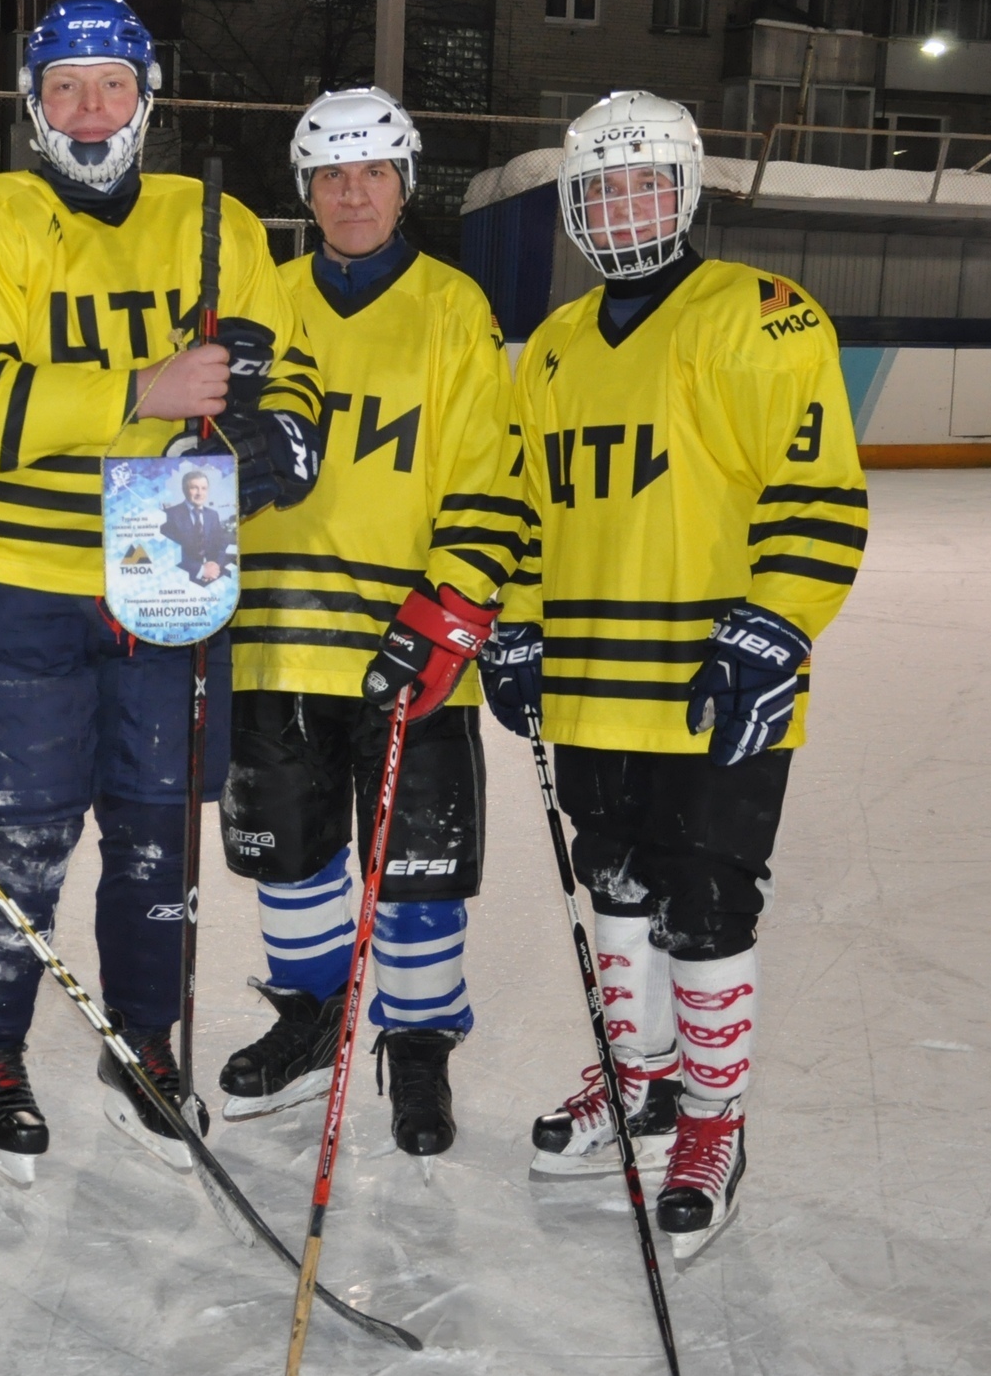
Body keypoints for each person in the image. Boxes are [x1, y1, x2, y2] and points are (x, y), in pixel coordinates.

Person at [0, 0, 325, 1179]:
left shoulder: (218, 222)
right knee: (23, 834)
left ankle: (142, 1040)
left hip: (176, 557)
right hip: (16, 579)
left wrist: (276, 437)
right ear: (30, 103)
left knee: (157, 834)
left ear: (147, 96)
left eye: (110, 84)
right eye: (64, 86)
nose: (88, 109)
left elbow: (278, 369)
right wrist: (141, 389)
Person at [492, 90, 865, 1248]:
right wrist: (513, 621)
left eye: (644, 183)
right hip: (595, 684)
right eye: (600, 188)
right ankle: (639, 1075)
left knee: (707, 907)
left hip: (717, 686)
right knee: (616, 891)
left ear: (687, 189)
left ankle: (712, 1113)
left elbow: (818, 495)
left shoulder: (764, 316)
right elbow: (522, 509)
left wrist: (774, 626)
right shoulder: (551, 343)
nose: (622, 206)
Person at [216, 87, 523, 1158]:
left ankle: (419, 1041)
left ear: (405, 183)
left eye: (373, 173)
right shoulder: (266, 297)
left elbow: (490, 475)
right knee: (291, 858)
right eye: (331, 177)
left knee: (416, 867)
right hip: (274, 635)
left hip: (411, 646)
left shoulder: (454, 307)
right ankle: (309, 1017)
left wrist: (448, 614)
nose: (352, 193)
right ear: (306, 190)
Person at [160, 466, 234, 585]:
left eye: (204, 488)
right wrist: (201, 570)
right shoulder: (170, 515)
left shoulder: (212, 515)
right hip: (184, 577)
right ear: (184, 489)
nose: (200, 493)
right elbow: (170, 552)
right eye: (194, 488)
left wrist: (215, 566)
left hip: (213, 573)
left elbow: (221, 543)